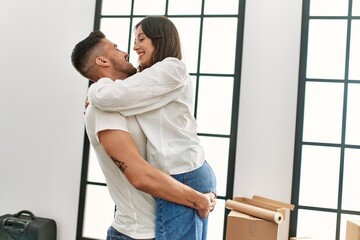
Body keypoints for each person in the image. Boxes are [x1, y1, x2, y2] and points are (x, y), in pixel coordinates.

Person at [71, 31, 215, 240]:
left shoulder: (123, 99)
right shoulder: (102, 109)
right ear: (102, 60)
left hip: (167, 218)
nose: (126, 52)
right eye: (116, 48)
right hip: (136, 234)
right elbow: (139, 175)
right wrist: (197, 199)